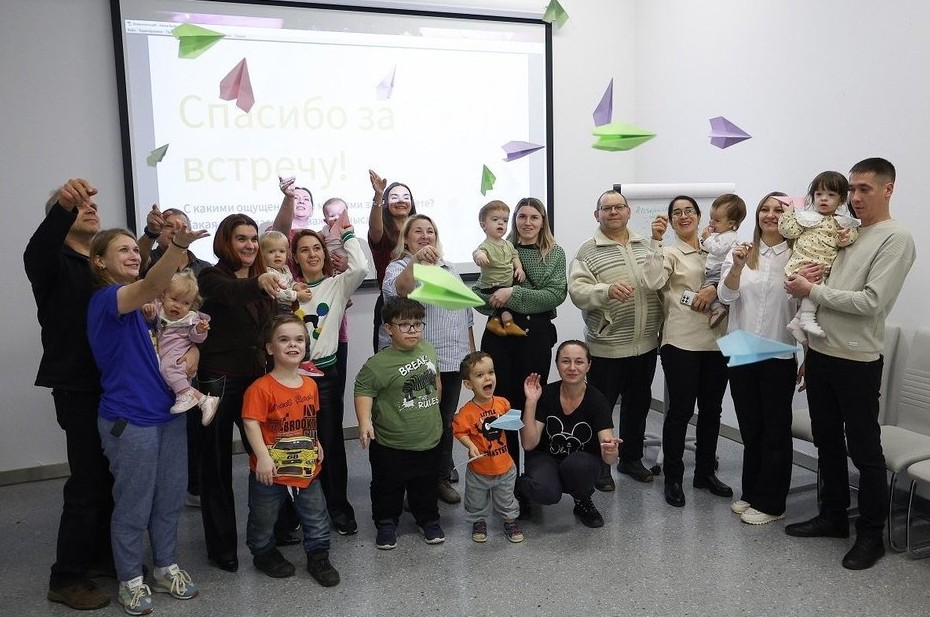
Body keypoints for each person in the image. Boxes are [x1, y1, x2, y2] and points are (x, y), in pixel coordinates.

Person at [784, 158, 916, 570]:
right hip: (822, 354)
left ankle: (871, 535)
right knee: (826, 441)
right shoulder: (848, 232)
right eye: (853, 189)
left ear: (888, 189)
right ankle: (833, 516)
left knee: (864, 450)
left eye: (865, 189)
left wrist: (811, 291)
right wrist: (809, 352)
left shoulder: (896, 238)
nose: (855, 197)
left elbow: (871, 302)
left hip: (857, 359)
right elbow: (823, 285)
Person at [88, 223, 208, 615]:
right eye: (122, 250)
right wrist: (177, 246)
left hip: (167, 414)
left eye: (134, 249)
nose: (132, 254)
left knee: (170, 497)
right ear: (99, 262)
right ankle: (130, 581)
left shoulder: (150, 308)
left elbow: (178, 341)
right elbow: (153, 283)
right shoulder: (107, 299)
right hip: (130, 418)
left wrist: (195, 353)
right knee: (134, 504)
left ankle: (165, 568)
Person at [25, 178, 113, 610]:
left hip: (111, 384)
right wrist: (63, 206)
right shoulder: (53, 262)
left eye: (93, 207)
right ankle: (66, 577)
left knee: (108, 476)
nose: (91, 209)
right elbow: (35, 250)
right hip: (78, 386)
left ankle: (99, 556)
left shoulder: (98, 267)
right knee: (87, 481)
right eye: (81, 208)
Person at [196, 213, 291, 573]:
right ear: (225, 241)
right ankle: (222, 546)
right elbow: (231, 293)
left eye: (254, 239)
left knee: (267, 457)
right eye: (241, 238)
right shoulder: (211, 276)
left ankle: (273, 532)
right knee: (215, 466)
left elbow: (266, 329)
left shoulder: (262, 279)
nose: (250, 245)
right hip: (217, 383)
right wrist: (261, 282)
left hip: (255, 381)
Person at [473, 197, 566, 511]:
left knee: (531, 403)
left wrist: (512, 293)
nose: (527, 222)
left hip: (534, 338)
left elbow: (554, 295)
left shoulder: (554, 253)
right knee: (504, 408)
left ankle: (534, 481)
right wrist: (492, 297)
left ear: (543, 221)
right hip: (499, 338)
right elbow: (481, 294)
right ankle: (509, 482)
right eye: (522, 216)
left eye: (534, 217)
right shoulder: (499, 248)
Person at [568, 190, 663, 491]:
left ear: (628, 211)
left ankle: (631, 459)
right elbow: (577, 292)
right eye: (606, 208)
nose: (613, 212)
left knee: (638, 405)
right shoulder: (588, 250)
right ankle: (600, 465)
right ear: (597, 214)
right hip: (606, 347)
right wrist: (606, 291)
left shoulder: (645, 245)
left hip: (645, 345)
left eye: (619, 207)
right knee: (601, 410)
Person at [643, 195, 732, 508]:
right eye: (677, 213)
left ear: (698, 216)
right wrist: (655, 241)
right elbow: (652, 281)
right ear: (671, 220)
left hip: (717, 341)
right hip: (680, 341)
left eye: (689, 211)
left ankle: (705, 473)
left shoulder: (716, 248)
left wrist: (715, 289)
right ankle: (674, 478)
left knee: (712, 411)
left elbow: (734, 282)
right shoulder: (669, 252)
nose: (684, 216)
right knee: (680, 411)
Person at [382, 214, 475, 505]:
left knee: (444, 422)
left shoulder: (449, 268)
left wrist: (471, 356)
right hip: (420, 362)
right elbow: (400, 291)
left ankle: (439, 478)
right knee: (418, 422)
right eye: (418, 231)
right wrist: (416, 261)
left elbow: (465, 314)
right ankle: (415, 483)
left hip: (453, 358)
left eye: (430, 231)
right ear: (406, 238)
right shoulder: (398, 267)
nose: (425, 236)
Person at [718, 192, 798, 525]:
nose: (770, 215)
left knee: (774, 431)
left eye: (778, 210)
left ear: (790, 217)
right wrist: (736, 268)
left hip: (778, 351)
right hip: (741, 349)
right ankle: (752, 492)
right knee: (751, 428)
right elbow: (725, 296)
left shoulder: (797, 256)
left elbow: (807, 307)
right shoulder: (742, 252)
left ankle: (772, 503)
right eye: (765, 209)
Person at [242, 315, 340, 586]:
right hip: (270, 471)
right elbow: (250, 423)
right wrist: (263, 457)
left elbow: (310, 419)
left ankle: (318, 555)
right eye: (284, 340)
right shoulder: (260, 389)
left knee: (316, 515)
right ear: (270, 348)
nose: (293, 345)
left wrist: (316, 442)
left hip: (307, 469)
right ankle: (263, 552)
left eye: (299, 340)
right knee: (263, 517)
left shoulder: (310, 385)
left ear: (306, 346)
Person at [292, 225, 368, 535]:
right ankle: (298, 511)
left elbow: (360, 267)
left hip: (324, 377)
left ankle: (338, 509)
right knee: (296, 444)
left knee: (331, 442)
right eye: (304, 250)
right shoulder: (287, 290)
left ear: (325, 254)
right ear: (295, 258)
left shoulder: (337, 285)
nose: (312, 254)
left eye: (316, 248)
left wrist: (348, 235)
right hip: (291, 379)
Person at [354, 297, 445, 550]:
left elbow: (436, 379)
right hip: (391, 444)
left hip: (428, 437)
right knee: (387, 486)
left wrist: (433, 406)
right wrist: (364, 421)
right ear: (388, 329)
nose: (413, 330)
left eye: (418, 323)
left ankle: (428, 519)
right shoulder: (378, 364)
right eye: (404, 325)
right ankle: (386, 522)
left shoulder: (428, 349)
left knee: (426, 484)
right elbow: (363, 390)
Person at [517, 341, 619, 528]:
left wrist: (611, 451)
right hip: (546, 458)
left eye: (579, 362)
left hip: (580, 462)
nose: (572, 367)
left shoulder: (597, 401)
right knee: (546, 491)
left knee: (578, 465)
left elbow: (609, 458)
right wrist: (531, 402)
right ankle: (524, 490)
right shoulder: (545, 394)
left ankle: (582, 499)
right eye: (565, 361)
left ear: (588, 365)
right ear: (557, 364)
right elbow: (529, 444)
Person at [779, 171, 859, 341]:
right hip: (802, 264)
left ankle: (796, 322)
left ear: (841, 200)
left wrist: (845, 237)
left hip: (823, 267)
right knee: (816, 287)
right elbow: (789, 232)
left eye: (831, 195)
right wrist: (788, 214)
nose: (823, 198)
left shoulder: (842, 223)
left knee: (819, 288)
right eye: (819, 194)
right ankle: (807, 319)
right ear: (813, 196)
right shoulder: (806, 218)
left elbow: (848, 239)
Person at [452, 351, 524, 543]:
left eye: (491, 372)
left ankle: (510, 521)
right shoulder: (466, 412)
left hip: (504, 466)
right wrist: (470, 445)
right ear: (469, 384)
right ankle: (479, 522)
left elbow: (513, 421)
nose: (487, 378)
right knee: (476, 500)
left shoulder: (502, 403)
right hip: (479, 470)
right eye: (480, 375)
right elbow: (460, 431)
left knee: (506, 498)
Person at [144, 270, 219, 423]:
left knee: (167, 368)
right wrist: (149, 312)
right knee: (166, 373)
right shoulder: (159, 308)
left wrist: (200, 330)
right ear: (163, 295)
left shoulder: (191, 319)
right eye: (174, 299)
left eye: (186, 303)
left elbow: (196, 338)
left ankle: (185, 395)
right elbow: (152, 320)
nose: (178, 306)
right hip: (165, 351)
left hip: (179, 351)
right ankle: (203, 400)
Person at [368, 170, 416, 352]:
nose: (401, 201)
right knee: (389, 358)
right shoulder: (382, 231)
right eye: (394, 197)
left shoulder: (419, 231)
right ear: (386, 203)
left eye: (406, 197)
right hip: (390, 303)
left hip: (419, 302)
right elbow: (374, 228)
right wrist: (378, 196)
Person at [472, 200, 526, 336]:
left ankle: (495, 321)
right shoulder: (486, 245)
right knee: (504, 303)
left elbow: (515, 256)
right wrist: (480, 256)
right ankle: (508, 324)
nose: (501, 223)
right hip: (492, 285)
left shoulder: (508, 244)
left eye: (505, 220)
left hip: (506, 284)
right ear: (483, 225)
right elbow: (478, 252)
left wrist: (519, 269)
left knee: (506, 301)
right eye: (495, 220)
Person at [700, 194, 746, 328]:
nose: (711, 222)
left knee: (707, 289)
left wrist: (707, 238)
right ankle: (718, 308)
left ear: (731, 223)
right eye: (711, 218)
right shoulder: (721, 235)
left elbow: (717, 249)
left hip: (718, 270)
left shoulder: (729, 236)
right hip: (714, 269)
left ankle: (718, 309)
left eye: (717, 220)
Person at [138, 206, 212, 275]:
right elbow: (140, 262)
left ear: (190, 232)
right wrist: (151, 232)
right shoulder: (149, 260)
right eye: (168, 226)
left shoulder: (205, 268)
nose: (174, 231)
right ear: (157, 234)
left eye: (182, 227)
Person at [259, 230, 312, 311]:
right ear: (262, 255)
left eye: (282, 251)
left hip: (288, 307)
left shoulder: (285, 269)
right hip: (275, 308)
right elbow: (277, 292)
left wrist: (295, 285)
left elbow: (289, 282)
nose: (277, 255)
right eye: (271, 252)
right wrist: (297, 295)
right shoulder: (268, 272)